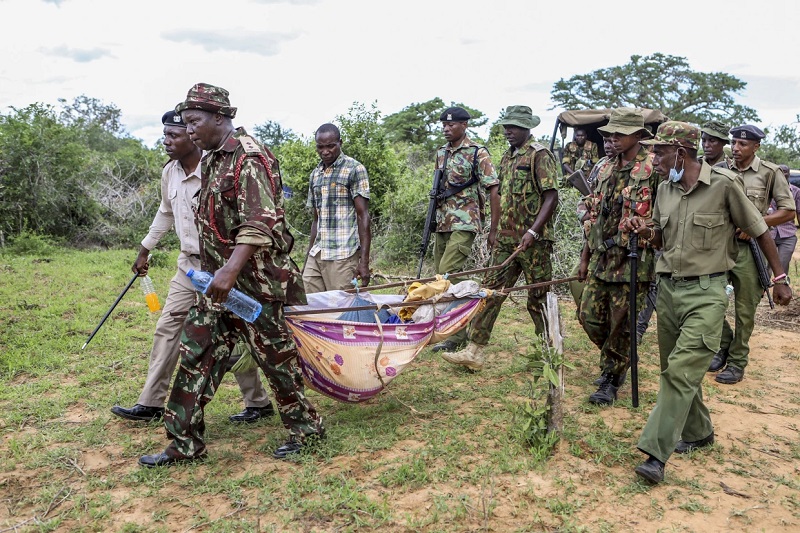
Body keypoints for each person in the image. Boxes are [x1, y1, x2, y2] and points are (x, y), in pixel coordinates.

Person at [139, 83, 324, 467]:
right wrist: (212, 274)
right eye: (186, 123)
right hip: (217, 286)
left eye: (194, 122)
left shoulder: (249, 158)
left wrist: (228, 271)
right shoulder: (211, 161)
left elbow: (260, 223)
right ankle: (183, 443)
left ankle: (306, 429)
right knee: (196, 354)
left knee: (277, 362)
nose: (189, 131)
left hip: (257, 286)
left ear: (219, 119)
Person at [625, 121, 792, 484]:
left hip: (706, 293)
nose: (653, 157)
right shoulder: (664, 190)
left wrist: (779, 279)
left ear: (680, 153)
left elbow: (761, 230)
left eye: (659, 151)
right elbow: (660, 238)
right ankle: (699, 432)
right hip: (668, 290)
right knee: (677, 368)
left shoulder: (724, 185)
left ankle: (655, 453)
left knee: (680, 372)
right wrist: (645, 232)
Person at [111, 110, 274, 425]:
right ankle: (151, 403)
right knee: (168, 327)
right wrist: (145, 249)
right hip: (188, 268)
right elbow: (165, 211)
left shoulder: (217, 168)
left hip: (224, 267)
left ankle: (258, 403)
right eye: (165, 136)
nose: (167, 142)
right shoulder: (170, 172)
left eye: (174, 135)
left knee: (236, 333)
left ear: (191, 134)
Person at [442, 105, 558, 370]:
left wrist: (533, 231)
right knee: (490, 293)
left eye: (514, 127)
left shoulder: (540, 155)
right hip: (507, 239)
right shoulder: (506, 157)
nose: (509, 131)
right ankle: (474, 351)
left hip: (534, 242)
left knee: (538, 297)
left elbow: (551, 196)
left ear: (527, 127)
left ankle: (549, 353)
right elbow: (501, 197)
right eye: (506, 126)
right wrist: (494, 231)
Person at [577, 108, 659, 405]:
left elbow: (663, 218)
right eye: (610, 133)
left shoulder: (653, 170)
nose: (611, 138)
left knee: (622, 324)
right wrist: (584, 258)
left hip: (633, 261)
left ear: (638, 135)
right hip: (601, 256)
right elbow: (594, 215)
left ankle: (611, 378)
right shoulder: (604, 168)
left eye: (618, 133)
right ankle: (618, 359)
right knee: (589, 316)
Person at [708, 125, 796, 384]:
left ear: (755, 147)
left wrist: (757, 223)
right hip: (720, 246)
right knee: (710, 300)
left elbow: (788, 211)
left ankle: (737, 361)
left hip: (751, 249)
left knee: (745, 311)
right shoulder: (720, 169)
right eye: (733, 143)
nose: (736, 148)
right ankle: (723, 345)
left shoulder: (770, 173)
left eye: (742, 144)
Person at [429, 106, 500, 353]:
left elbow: (493, 188)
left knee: (448, 273)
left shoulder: (477, 152)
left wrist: (493, 228)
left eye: (452, 125)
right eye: (444, 125)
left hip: (465, 221)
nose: (447, 129)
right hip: (443, 222)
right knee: (441, 276)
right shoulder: (441, 153)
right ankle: (455, 332)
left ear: (464, 125)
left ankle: (469, 307)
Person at [303, 123, 371, 292]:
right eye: (320, 147)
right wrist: (307, 258)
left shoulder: (354, 169)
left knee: (340, 309)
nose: (325, 151)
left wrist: (364, 262)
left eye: (330, 146)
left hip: (343, 254)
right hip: (318, 253)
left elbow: (363, 216)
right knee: (308, 304)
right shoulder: (315, 174)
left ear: (340, 143)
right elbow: (316, 219)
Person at [570, 138, 617, 310]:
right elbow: (585, 199)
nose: (608, 145)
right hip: (594, 241)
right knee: (577, 280)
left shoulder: (639, 169)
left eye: (613, 141)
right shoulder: (602, 165)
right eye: (605, 141)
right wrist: (586, 214)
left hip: (618, 246)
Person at [768, 165, 800, 279]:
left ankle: (781, 289)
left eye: (786, 174)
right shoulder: (767, 190)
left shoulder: (796, 191)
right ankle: (761, 291)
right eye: (781, 174)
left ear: (789, 175)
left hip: (787, 234)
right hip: (768, 234)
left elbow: (798, 212)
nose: (783, 176)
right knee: (765, 266)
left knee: (782, 266)